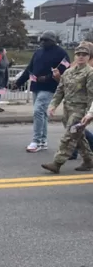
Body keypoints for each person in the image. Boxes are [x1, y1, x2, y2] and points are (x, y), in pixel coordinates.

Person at [12, 31, 70, 152]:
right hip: (36, 86)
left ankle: (36, 141)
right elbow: (29, 69)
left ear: (53, 41)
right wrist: (18, 82)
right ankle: (43, 141)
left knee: (38, 111)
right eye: (42, 40)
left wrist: (48, 77)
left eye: (46, 40)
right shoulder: (38, 52)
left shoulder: (62, 53)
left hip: (50, 87)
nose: (43, 42)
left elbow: (64, 68)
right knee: (42, 114)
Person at [41, 43, 93, 173]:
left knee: (69, 136)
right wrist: (53, 105)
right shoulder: (68, 72)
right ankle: (89, 161)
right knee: (78, 137)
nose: (81, 57)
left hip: (80, 110)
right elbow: (60, 90)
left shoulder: (90, 73)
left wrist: (90, 113)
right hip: (68, 108)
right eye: (78, 54)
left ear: (89, 57)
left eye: (84, 55)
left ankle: (57, 163)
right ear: (75, 56)